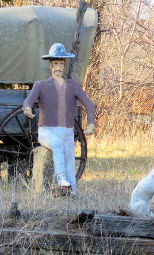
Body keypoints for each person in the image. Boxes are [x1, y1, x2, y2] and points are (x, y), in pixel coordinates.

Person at [23, 43, 96, 196]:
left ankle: (72, 192)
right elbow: (28, 101)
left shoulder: (73, 86)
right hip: (47, 131)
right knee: (56, 144)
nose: (58, 66)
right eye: (55, 63)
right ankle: (61, 179)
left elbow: (89, 105)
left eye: (61, 63)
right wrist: (27, 108)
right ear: (50, 65)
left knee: (69, 160)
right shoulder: (41, 85)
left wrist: (91, 123)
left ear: (64, 65)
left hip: (67, 131)